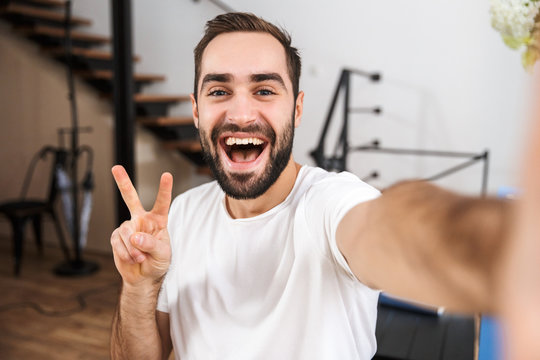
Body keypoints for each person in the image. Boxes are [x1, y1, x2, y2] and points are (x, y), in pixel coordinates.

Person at [109, 12, 539, 360]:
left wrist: (508, 245)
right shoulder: (181, 216)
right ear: (197, 110)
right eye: (219, 90)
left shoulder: (330, 204)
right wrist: (138, 286)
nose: (241, 112)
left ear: (296, 109)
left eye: (264, 89)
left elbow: (388, 226)